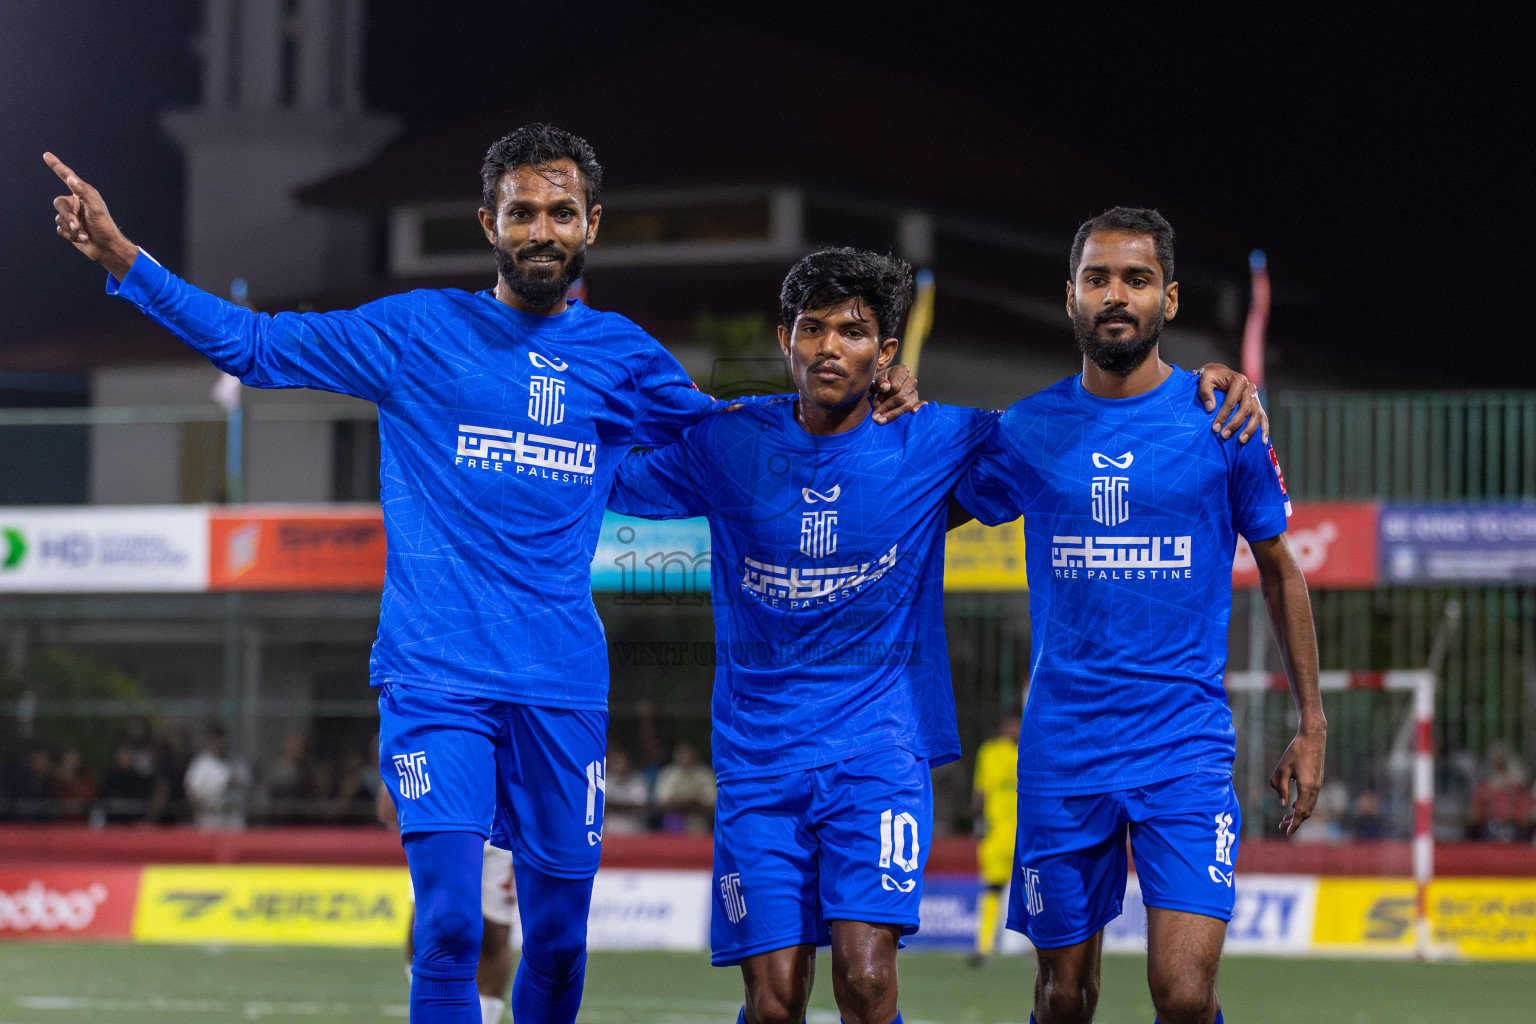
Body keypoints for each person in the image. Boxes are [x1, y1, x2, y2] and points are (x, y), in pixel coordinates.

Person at [45, 125, 918, 1024]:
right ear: (488, 223)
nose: (542, 228)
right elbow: (255, 346)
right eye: (523, 211)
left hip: (561, 685)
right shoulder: (417, 331)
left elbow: (732, 439)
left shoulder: (623, 356)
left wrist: (872, 397)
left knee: (559, 942)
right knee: (453, 925)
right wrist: (125, 259)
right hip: (436, 676)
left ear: (592, 225)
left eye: (562, 212)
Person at [609, 248, 1264, 1024]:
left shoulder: (938, 439)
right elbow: (609, 471)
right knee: (775, 1002)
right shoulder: (728, 443)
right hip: (759, 759)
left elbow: (1081, 420)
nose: (828, 348)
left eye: (852, 332)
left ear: (886, 352)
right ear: (784, 337)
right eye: (811, 329)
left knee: (867, 978)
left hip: (879, 750)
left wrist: (1201, 387)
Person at [952, 207, 1325, 1024]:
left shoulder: (1223, 420)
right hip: (1062, 752)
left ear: (1172, 299)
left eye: (1136, 278)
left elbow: (1279, 570)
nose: (1115, 295)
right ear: (1070, 298)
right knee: (1062, 997)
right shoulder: (1025, 429)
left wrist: (1313, 723)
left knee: (1185, 995)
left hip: (1181, 748)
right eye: (1098, 279)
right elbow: (916, 499)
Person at [379, 786, 515, 1024]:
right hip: (442, 806)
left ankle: (485, 1019)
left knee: (495, 933)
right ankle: (435, 1010)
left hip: (499, 813)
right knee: (432, 922)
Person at [971, 710, 1022, 966]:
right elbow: (980, 791)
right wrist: (978, 822)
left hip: (1020, 835)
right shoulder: (992, 752)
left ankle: (1039, 949)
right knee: (993, 890)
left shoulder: (1024, 750)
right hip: (1001, 835)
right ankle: (984, 947)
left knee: (1029, 892)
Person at [654, 742, 717, 833]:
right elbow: (661, 803)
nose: (686, 759)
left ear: (695, 756)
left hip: (700, 827)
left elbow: (712, 804)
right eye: (682, 756)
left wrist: (680, 801)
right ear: (676, 757)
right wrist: (691, 800)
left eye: (689, 755)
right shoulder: (667, 774)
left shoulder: (705, 775)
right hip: (672, 827)